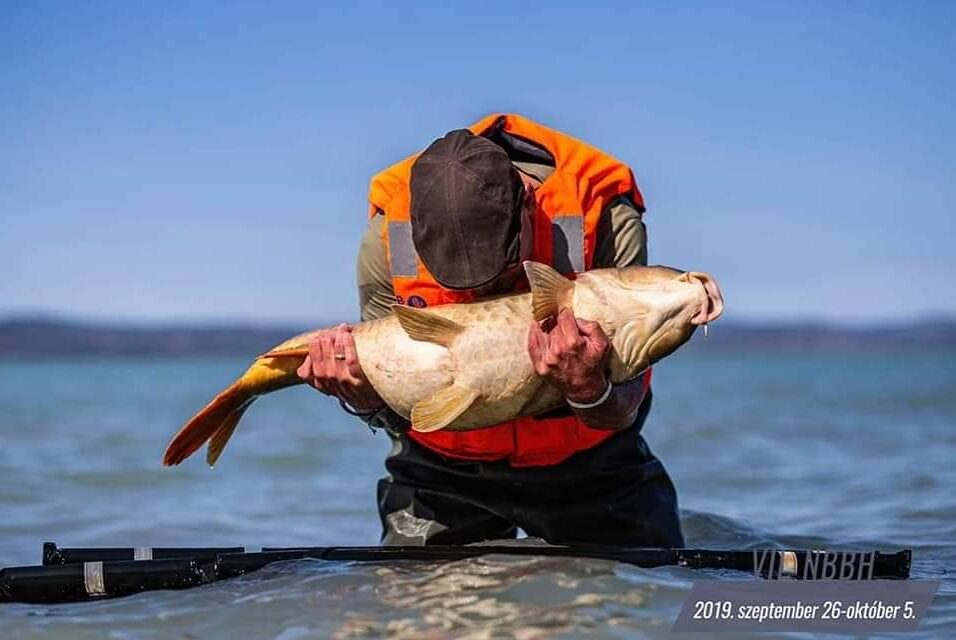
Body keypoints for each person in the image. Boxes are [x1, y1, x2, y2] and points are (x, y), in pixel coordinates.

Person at [297, 114, 684, 547]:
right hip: (441, 469)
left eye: (496, 270)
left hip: (591, 462)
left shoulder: (602, 210)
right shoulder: (385, 235)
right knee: (409, 606)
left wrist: (588, 388)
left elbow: (628, 399)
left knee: (643, 597)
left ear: (527, 203)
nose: (481, 290)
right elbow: (400, 405)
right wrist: (367, 402)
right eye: (457, 283)